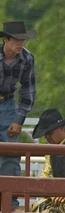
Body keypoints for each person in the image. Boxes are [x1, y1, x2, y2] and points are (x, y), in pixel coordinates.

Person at [0, 20, 37, 178]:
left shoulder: (27, 58)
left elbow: (28, 89)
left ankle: (9, 199)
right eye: (17, 39)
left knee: (10, 151)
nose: (21, 43)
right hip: (7, 103)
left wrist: (19, 119)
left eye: (23, 39)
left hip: (7, 103)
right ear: (6, 40)